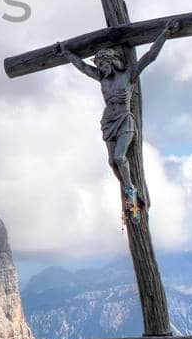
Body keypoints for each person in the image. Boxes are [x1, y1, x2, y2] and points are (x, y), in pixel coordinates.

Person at [58, 20, 174, 222]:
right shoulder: (102, 79)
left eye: (103, 64)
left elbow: (149, 57)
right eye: (99, 65)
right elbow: (82, 66)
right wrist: (66, 52)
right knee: (112, 161)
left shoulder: (128, 75)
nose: (101, 68)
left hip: (124, 119)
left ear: (112, 61)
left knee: (120, 157)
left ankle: (130, 191)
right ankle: (130, 191)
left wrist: (164, 34)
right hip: (108, 121)